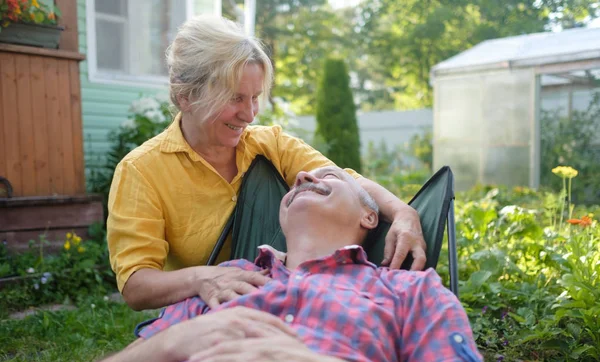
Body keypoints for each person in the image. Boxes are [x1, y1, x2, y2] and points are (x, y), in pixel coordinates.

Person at [76, 166, 495, 362]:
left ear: (370, 218)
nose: (301, 179)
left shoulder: (408, 291)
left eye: (328, 176)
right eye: (295, 183)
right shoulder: (219, 284)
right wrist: (170, 343)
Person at [107, 15, 428, 312]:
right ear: (185, 96)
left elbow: (341, 182)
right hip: (212, 315)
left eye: (255, 97)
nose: (249, 114)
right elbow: (136, 285)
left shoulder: (269, 143)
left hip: (295, 302)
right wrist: (203, 279)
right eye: (235, 98)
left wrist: (403, 213)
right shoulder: (142, 171)